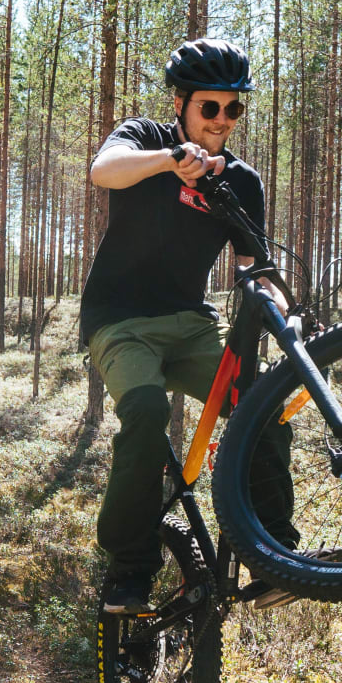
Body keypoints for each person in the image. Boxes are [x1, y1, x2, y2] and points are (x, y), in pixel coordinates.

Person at [80, 37, 298, 616]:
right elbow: (103, 171)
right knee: (147, 411)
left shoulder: (241, 181)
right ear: (181, 104)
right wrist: (170, 161)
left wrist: (279, 310)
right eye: (210, 108)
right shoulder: (145, 139)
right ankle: (129, 571)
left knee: (265, 407)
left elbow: (256, 271)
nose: (222, 121)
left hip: (193, 325)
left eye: (234, 109)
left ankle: (272, 557)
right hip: (121, 320)